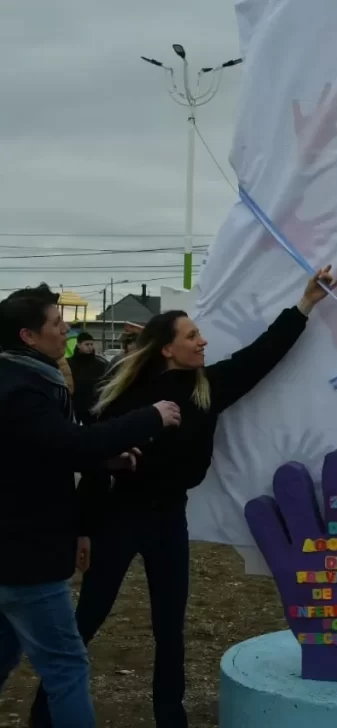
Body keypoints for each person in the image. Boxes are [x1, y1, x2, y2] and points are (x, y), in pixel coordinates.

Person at [30, 266, 337, 728]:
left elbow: (263, 354)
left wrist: (306, 303)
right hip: (119, 516)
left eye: (200, 335)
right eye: (192, 336)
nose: (202, 342)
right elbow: (96, 463)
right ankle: (44, 711)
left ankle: (170, 716)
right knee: (89, 616)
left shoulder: (207, 389)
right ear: (167, 348)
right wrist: (84, 530)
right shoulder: (126, 395)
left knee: (169, 629)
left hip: (170, 518)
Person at [0, 284, 181, 728]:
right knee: (67, 667)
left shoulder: (27, 379)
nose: (67, 330)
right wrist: (150, 417)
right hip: (25, 557)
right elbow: (67, 440)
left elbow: (41, 451)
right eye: (57, 323)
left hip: (16, 555)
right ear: (28, 336)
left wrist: (105, 459)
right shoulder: (20, 388)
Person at [67, 332, 109, 425]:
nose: (90, 347)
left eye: (91, 344)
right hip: (75, 404)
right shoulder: (69, 363)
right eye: (86, 344)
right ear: (78, 345)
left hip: (92, 405)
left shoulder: (99, 364)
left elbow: (104, 383)